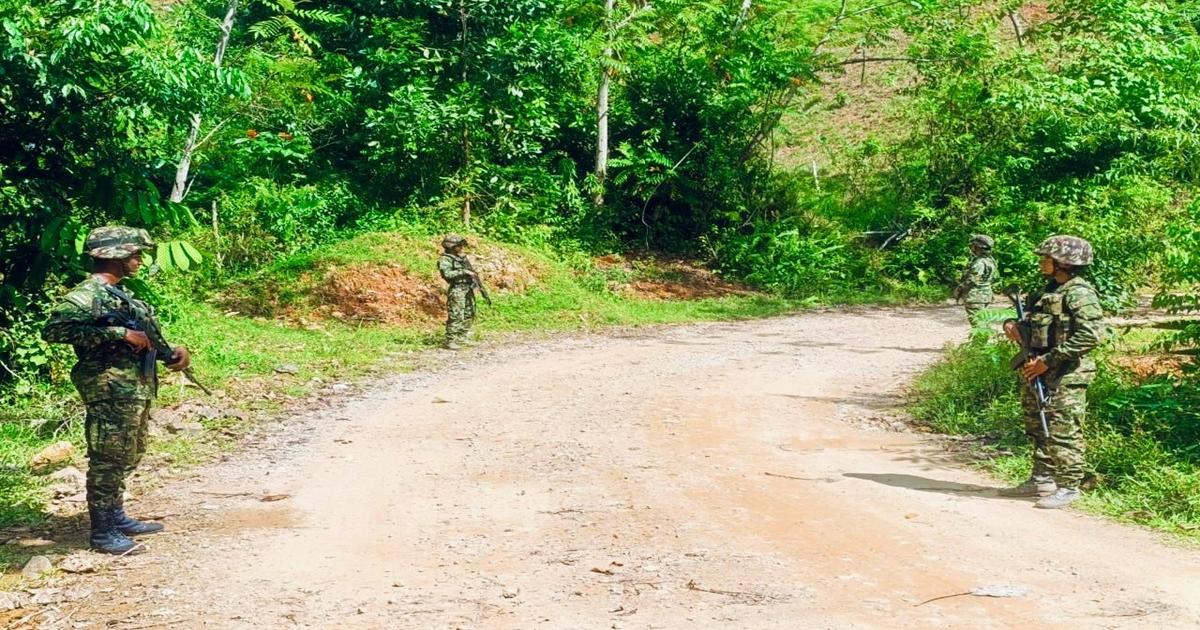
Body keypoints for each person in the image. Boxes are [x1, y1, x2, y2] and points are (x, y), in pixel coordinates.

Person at [42, 226, 191, 554]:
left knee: (127, 452)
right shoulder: (87, 294)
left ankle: (116, 515)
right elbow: (54, 329)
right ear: (115, 256)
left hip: (131, 387)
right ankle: (103, 532)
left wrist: (172, 353)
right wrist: (118, 334)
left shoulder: (120, 294)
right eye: (134, 254)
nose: (139, 260)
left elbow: (147, 337)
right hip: (109, 387)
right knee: (108, 457)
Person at [1000, 235, 1103, 509]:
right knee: (1037, 426)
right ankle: (1042, 477)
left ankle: (1069, 486)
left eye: (1047, 258)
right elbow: (1031, 323)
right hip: (1038, 370)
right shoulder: (1050, 290)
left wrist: (1049, 360)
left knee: (1063, 430)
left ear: (1063, 262)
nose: (1042, 262)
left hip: (1065, 374)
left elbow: (1091, 335)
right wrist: (1011, 326)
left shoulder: (1079, 292)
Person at [437, 234, 478, 350]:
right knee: (456, 315)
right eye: (459, 245)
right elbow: (447, 274)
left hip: (467, 288)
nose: (461, 247)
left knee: (469, 313)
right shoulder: (445, 259)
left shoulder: (461, 258)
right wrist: (463, 272)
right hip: (457, 289)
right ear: (451, 246)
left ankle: (462, 337)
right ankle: (450, 340)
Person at [954, 234, 997, 325]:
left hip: (975, 296)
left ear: (978, 247)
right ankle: (985, 338)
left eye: (973, 246)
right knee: (984, 320)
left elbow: (973, 279)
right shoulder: (990, 260)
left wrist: (960, 288)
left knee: (977, 322)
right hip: (985, 295)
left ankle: (980, 339)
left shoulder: (979, 262)